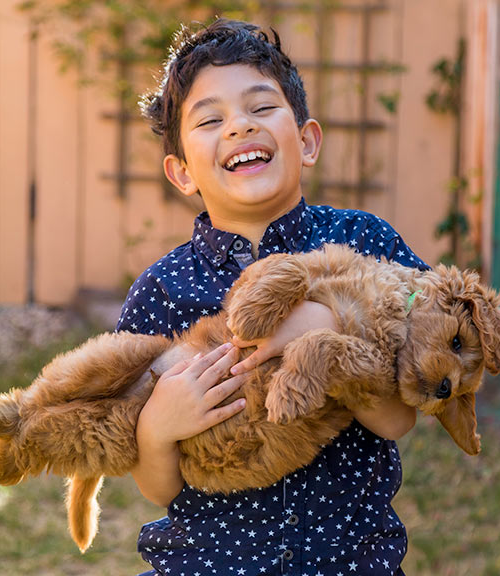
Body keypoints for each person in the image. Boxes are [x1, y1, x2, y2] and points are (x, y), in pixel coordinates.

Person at [116, 18, 429, 575]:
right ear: (182, 172)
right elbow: (156, 487)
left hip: (349, 563)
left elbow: (396, 419)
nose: (239, 127)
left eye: (261, 109)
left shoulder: (365, 245)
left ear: (306, 141)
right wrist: (158, 425)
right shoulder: (161, 292)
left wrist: (320, 329)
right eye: (211, 119)